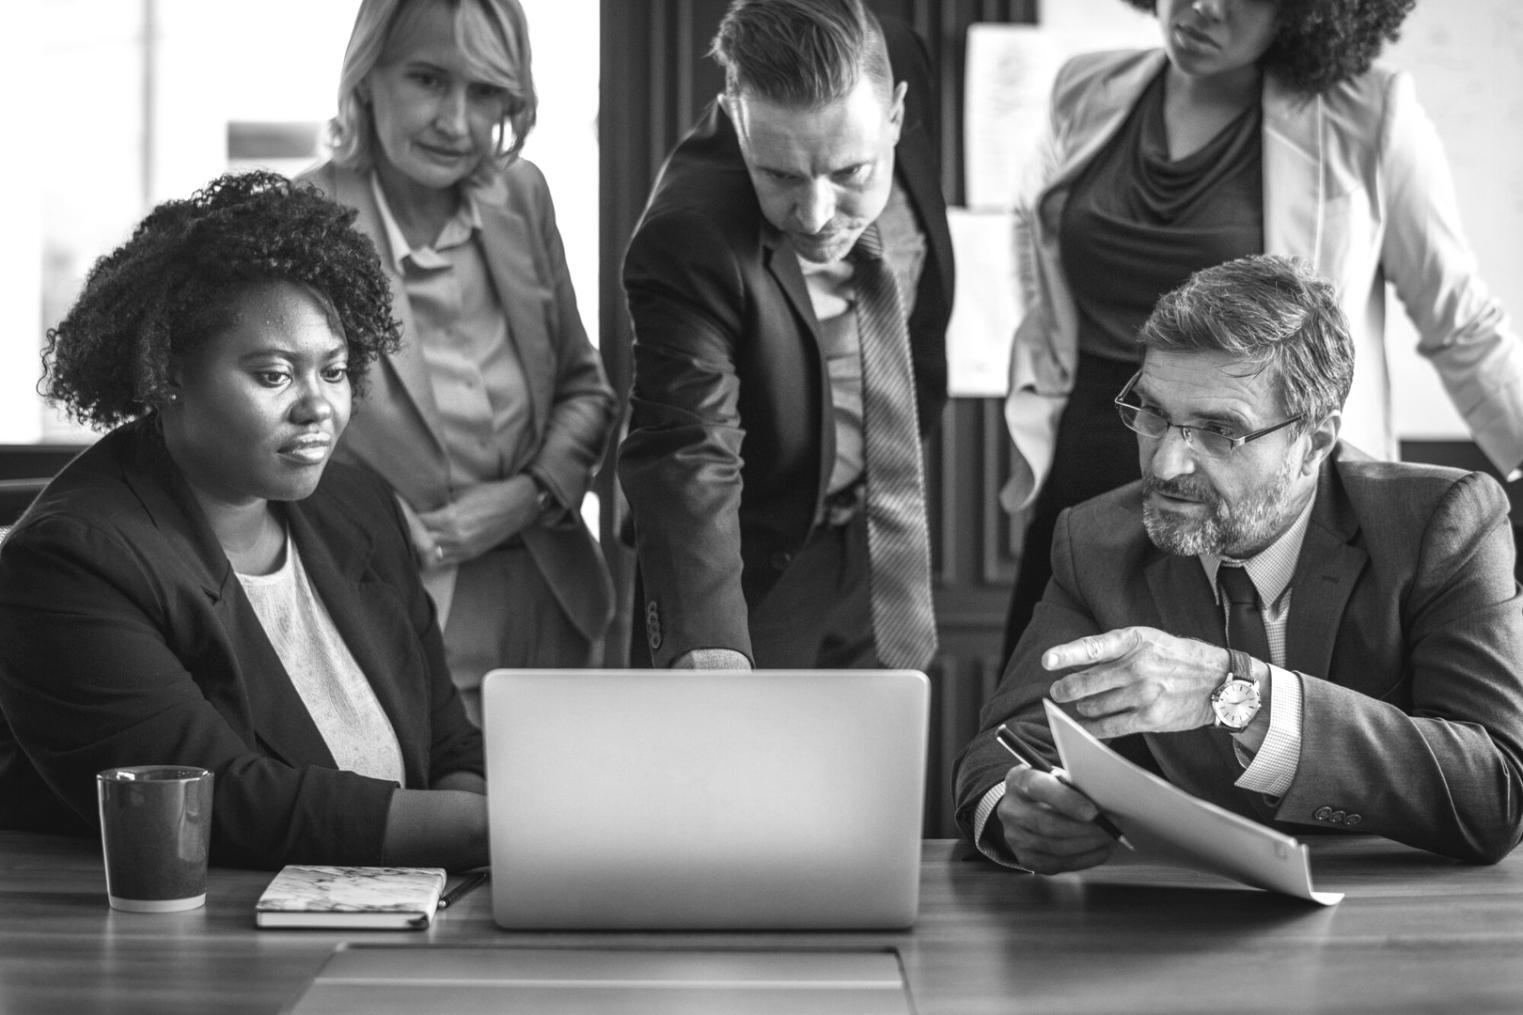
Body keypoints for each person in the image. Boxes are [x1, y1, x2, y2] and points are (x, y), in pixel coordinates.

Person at [956, 254, 1523, 871]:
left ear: (1315, 442)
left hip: (1395, 917)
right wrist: (1017, 812)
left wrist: (1240, 694)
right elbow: (1006, 745)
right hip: (1175, 921)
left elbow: (1496, 793)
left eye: (1221, 432)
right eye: (1152, 414)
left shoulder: (1439, 522)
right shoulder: (1095, 538)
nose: (1166, 466)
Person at [999, 0, 1523, 664]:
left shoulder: (1367, 114)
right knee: (1050, 705)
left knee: (1244, 718)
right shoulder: (1086, 85)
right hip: (1097, 449)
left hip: (1251, 465)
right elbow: (1040, 259)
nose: (1201, 7)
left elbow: (1461, 321)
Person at [0, 171, 488, 871]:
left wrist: (466, 862)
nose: (318, 407)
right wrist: (480, 834)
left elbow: (449, 747)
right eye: (274, 375)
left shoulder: (359, 509)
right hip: (191, 949)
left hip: (401, 919)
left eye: (334, 370)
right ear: (167, 374)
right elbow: (216, 802)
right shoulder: (73, 560)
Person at [619, 0, 954, 671]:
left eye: (851, 172)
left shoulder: (894, 56)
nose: (816, 215)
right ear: (736, 118)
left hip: (883, 536)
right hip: (753, 561)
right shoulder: (689, 235)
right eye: (778, 175)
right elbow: (687, 447)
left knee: (873, 767)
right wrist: (707, 638)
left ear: (894, 115)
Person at [302, 0, 616, 713]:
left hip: (556, 606)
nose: (457, 121)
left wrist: (525, 496)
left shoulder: (521, 191)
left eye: (486, 92)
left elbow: (585, 387)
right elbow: (279, 434)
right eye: (428, 79)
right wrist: (382, 520)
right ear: (367, 76)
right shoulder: (306, 219)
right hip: (391, 617)